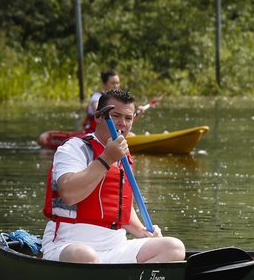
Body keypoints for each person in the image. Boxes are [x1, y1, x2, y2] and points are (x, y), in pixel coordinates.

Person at [43, 88, 185, 263]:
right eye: (116, 116)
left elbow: (121, 205)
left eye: (128, 118)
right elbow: (69, 194)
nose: (122, 124)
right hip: (69, 242)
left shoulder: (123, 156)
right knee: (86, 256)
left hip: (116, 245)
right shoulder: (74, 148)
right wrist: (106, 159)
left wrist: (142, 231)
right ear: (98, 117)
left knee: (174, 247)